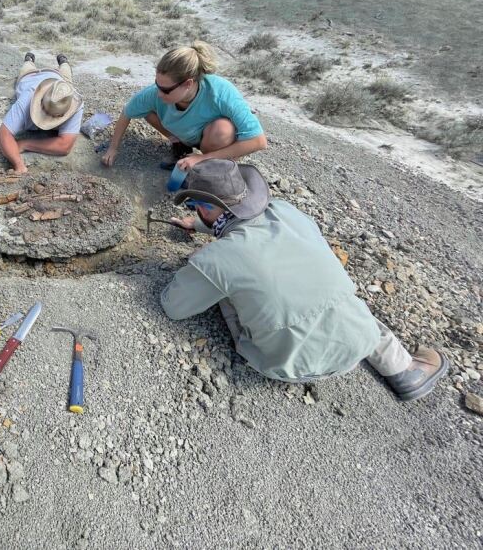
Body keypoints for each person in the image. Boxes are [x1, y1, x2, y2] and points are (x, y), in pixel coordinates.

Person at [160, 159, 449, 401]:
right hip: (361, 339)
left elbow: (174, 306)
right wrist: (200, 225)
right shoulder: (286, 212)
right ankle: (405, 370)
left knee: (227, 289)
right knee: (341, 301)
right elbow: (241, 225)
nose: (193, 212)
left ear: (206, 207)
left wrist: (202, 260)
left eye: (193, 208)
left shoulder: (216, 259)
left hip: (288, 365)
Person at [101, 42, 267, 173]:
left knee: (223, 129)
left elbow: (258, 141)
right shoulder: (157, 92)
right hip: (183, 133)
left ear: (188, 84)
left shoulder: (221, 92)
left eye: (165, 90)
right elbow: (127, 112)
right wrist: (113, 148)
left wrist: (202, 158)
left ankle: (211, 168)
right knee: (146, 110)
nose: (159, 93)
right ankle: (180, 147)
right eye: (157, 85)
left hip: (211, 140)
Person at [0, 52, 83, 174]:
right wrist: (19, 165)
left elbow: (65, 145)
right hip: (30, 77)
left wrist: (25, 144)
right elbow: (3, 134)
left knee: (66, 72)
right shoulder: (27, 99)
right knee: (27, 67)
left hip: (61, 80)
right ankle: (29, 59)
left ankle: (63, 61)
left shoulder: (70, 100)